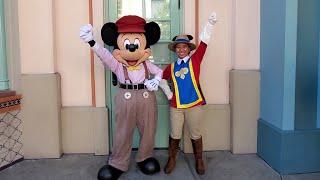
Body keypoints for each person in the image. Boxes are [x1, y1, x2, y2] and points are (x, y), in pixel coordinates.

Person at [80, 15, 162, 180]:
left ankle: (145, 157)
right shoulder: (117, 64)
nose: (132, 47)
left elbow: (159, 71)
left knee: (149, 129)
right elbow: (104, 55)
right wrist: (91, 42)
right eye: (127, 43)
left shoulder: (146, 64)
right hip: (125, 97)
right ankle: (118, 163)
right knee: (123, 131)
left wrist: (157, 80)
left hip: (147, 97)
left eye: (136, 42)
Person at [160, 12, 217, 175]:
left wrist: (210, 24)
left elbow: (204, 42)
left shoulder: (195, 60)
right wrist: (168, 93)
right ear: (175, 50)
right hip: (176, 106)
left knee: (195, 133)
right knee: (175, 134)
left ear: (188, 49)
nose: (181, 50)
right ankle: (172, 159)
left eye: (184, 47)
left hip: (194, 104)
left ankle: (199, 160)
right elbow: (160, 79)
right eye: (178, 47)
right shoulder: (171, 67)